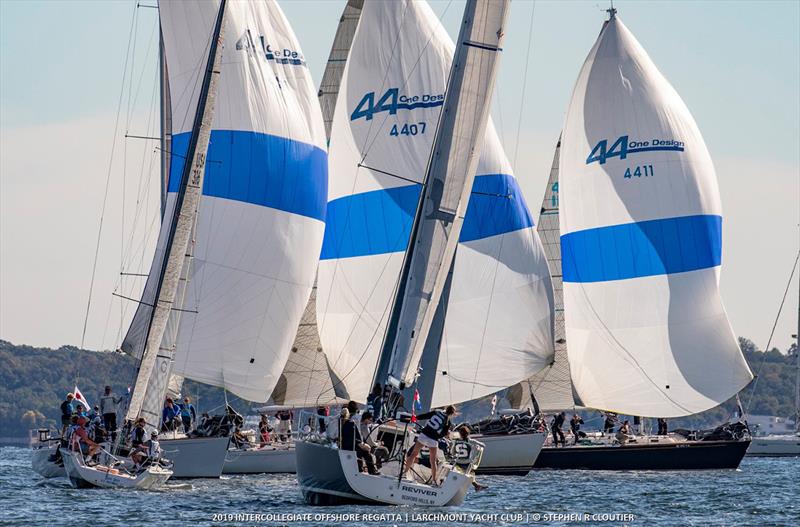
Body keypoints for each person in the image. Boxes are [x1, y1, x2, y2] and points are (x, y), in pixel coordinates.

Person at [403, 405, 456, 486]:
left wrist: (414, 418)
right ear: (452, 414)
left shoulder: (436, 412)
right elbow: (443, 434)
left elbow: (425, 416)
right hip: (433, 439)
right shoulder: (448, 422)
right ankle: (434, 481)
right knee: (433, 461)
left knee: (413, 454)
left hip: (424, 434)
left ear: (446, 409)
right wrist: (437, 436)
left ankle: (404, 473)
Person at [340, 407, 378, 475]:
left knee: (363, 451)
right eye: (370, 420)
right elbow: (357, 440)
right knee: (365, 451)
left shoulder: (345, 423)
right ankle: (368, 470)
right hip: (352, 446)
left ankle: (361, 469)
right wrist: (365, 446)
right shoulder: (352, 424)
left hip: (346, 445)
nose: (370, 423)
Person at [450, 426, 487, 491]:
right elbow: (483, 445)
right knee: (471, 473)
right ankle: (477, 486)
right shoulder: (470, 441)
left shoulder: (455, 441)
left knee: (467, 473)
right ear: (467, 433)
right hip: (467, 463)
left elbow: (452, 453)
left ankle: (477, 486)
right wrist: (477, 447)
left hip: (457, 463)